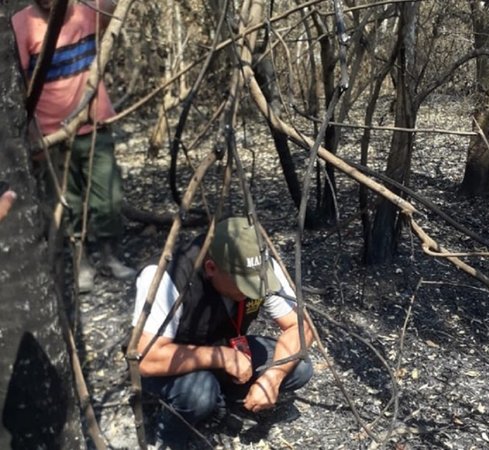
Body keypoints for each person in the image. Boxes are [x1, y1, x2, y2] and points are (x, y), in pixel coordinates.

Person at [132, 217, 314, 448]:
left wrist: (273, 378)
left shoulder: (261, 268)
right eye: (244, 285)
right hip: (173, 363)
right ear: (211, 268)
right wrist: (222, 357)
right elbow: (146, 359)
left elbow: (301, 326)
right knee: (199, 392)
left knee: (299, 367)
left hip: (228, 346)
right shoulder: (166, 277)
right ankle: (170, 433)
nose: (253, 292)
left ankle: (225, 400)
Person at [11, 0, 135, 293]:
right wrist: (32, 135)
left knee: (109, 198)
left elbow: (114, 14)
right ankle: (82, 265)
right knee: (68, 204)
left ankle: (109, 257)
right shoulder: (22, 23)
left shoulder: (88, 8)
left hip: (95, 123)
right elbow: (19, 84)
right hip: (53, 132)